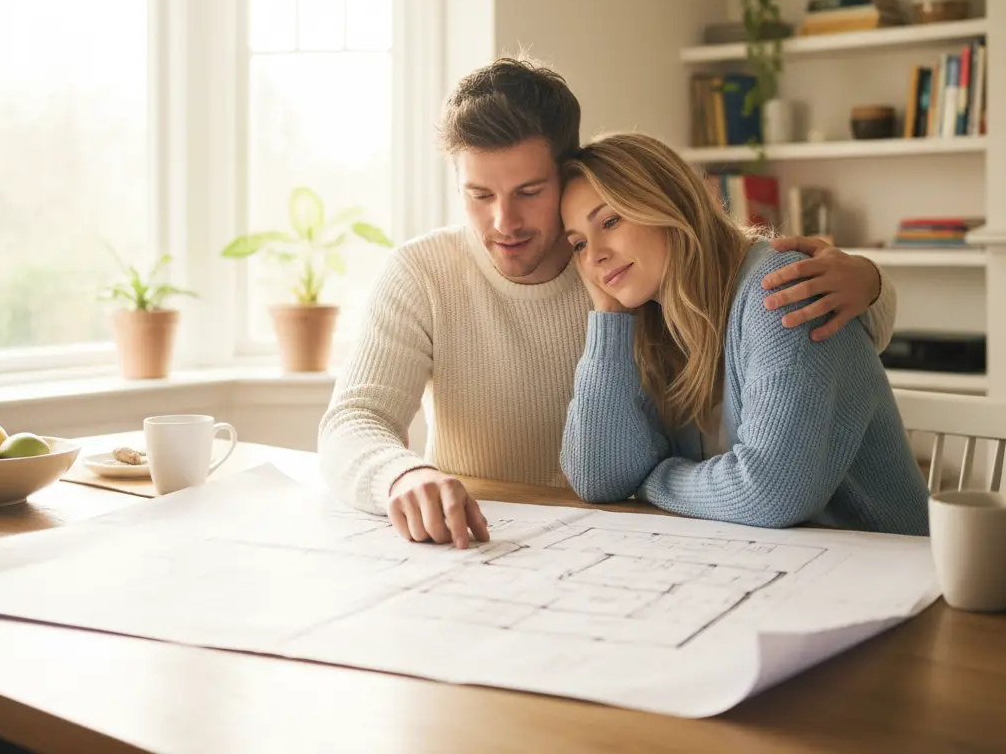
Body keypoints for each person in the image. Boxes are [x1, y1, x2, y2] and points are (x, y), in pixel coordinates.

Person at [319, 58, 898, 547]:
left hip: (655, 541)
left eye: (529, 192)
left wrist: (871, 282)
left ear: (567, 173)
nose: (503, 222)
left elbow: (784, 310)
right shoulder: (427, 273)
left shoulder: (640, 277)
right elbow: (353, 418)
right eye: (478, 195)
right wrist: (401, 475)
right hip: (494, 541)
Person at [559, 132, 929, 535]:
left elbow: (771, 491)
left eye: (610, 221)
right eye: (578, 244)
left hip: (888, 570)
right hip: (769, 567)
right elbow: (599, 477)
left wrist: (654, 480)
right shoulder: (656, 324)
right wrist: (608, 316)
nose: (594, 255)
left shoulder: (780, 288)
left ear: (668, 202)